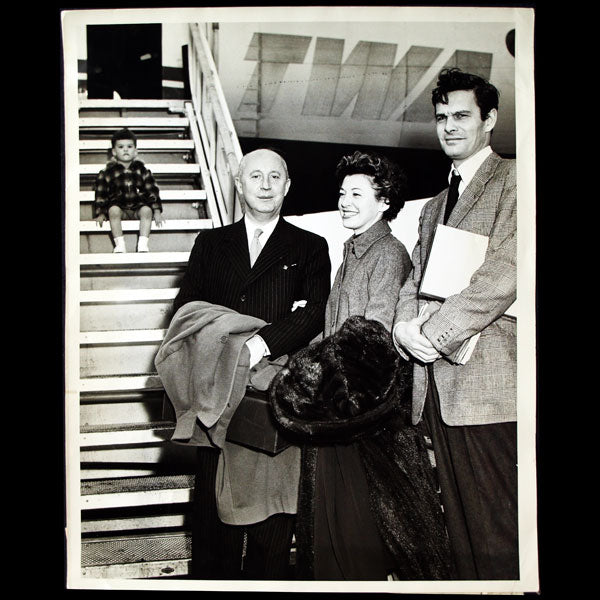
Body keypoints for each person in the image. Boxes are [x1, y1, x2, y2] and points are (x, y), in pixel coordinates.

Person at [270, 152, 453, 580]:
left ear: (384, 200)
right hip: (341, 408)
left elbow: (372, 340)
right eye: (341, 193)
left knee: (364, 527)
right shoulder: (353, 251)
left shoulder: (387, 254)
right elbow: (333, 330)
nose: (345, 201)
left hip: (363, 416)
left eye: (357, 193)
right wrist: (293, 359)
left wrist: (310, 374)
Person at [171, 148, 331, 579]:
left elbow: (315, 312)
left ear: (287, 186)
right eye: (254, 176)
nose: (264, 185)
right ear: (238, 184)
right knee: (213, 520)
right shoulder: (210, 244)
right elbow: (186, 310)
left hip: (270, 397)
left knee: (271, 524)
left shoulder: (311, 247)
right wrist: (226, 347)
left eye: (274, 177)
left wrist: (260, 344)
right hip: (216, 397)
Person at [392, 68, 518, 580]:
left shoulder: (515, 179)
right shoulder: (434, 205)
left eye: (462, 116)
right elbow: (413, 277)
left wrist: (433, 333)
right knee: (459, 531)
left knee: (498, 527)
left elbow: (505, 273)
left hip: (490, 386)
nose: (449, 126)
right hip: (437, 388)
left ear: (489, 120)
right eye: (441, 117)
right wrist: (404, 327)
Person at [93, 128, 164, 252]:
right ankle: (120, 245)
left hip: (138, 207)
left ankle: (143, 244)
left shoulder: (142, 171)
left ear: (136, 151)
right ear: (114, 152)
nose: (125, 150)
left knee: (147, 210)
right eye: (121, 147)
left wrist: (157, 211)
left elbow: (152, 191)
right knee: (113, 210)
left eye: (129, 146)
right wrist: (101, 213)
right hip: (120, 208)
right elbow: (101, 193)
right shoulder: (108, 172)